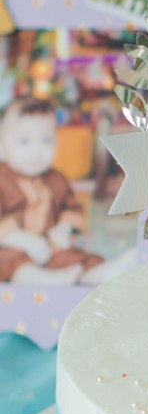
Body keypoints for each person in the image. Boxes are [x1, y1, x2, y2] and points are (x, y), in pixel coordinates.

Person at [0, 97, 114, 285]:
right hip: (10, 247)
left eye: (46, 140)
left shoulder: (56, 179)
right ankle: (39, 279)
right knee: (9, 261)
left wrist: (63, 229)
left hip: (49, 248)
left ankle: (99, 274)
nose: (36, 150)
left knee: (76, 258)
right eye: (24, 141)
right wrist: (24, 241)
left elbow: (72, 209)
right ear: (2, 147)